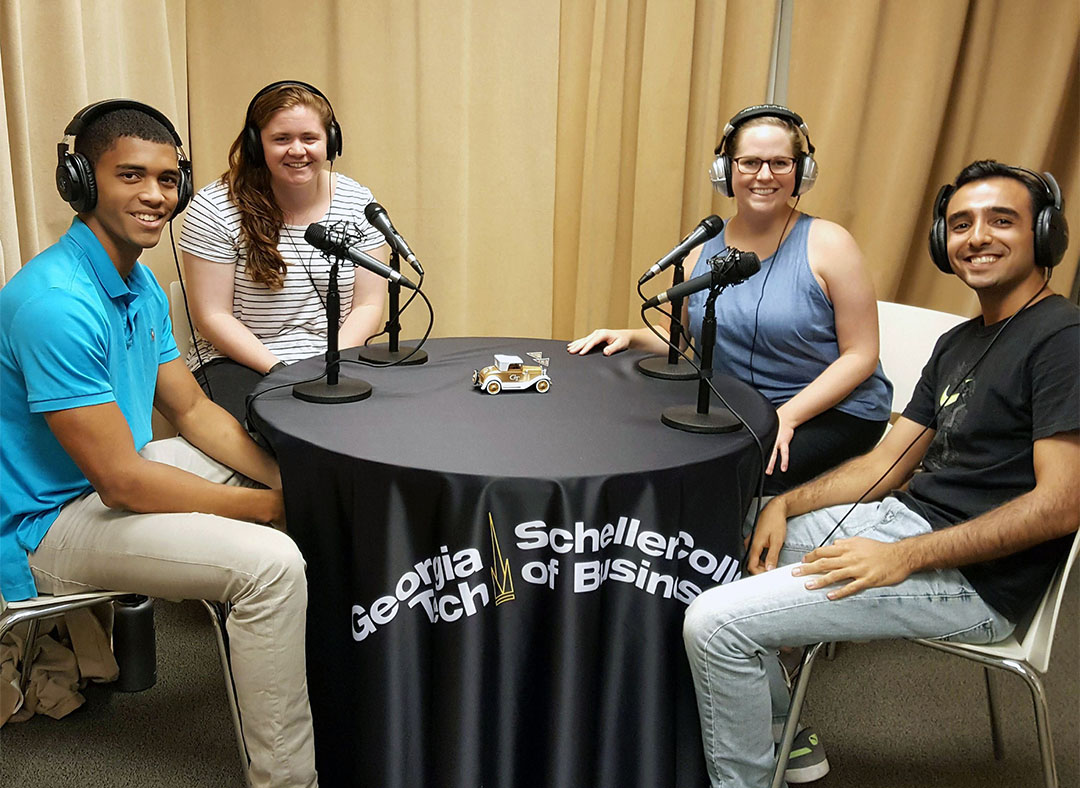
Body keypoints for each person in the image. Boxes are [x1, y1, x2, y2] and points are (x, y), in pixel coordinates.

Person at [682, 160, 1079, 788]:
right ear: (942, 243)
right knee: (710, 541)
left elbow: (1061, 504)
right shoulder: (962, 340)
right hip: (909, 527)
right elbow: (888, 463)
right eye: (961, 223)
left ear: (1046, 235)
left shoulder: (1063, 339)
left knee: (716, 625)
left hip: (975, 583)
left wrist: (905, 556)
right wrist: (783, 505)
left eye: (1002, 221)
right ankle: (783, 737)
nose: (977, 236)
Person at [0, 101, 318, 788]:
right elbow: (122, 484)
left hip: (113, 477)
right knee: (271, 566)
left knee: (286, 472)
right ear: (81, 182)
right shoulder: (54, 302)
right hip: (51, 522)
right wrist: (270, 511)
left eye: (169, 180)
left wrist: (293, 487)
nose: (155, 196)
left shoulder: (137, 280)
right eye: (131, 176)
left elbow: (195, 411)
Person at [568, 105, 892, 495]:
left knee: (727, 478)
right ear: (726, 171)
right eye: (750, 162)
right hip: (744, 409)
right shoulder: (702, 248)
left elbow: (861, 355)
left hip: (833, 413)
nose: (765, 176)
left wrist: (787, 416)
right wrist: (629, 336)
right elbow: (687, 339)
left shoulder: (830, 244)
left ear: (801, 172)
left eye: (780, 163)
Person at [180, 80, 389, 422]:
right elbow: (211, 316)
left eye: (309, 138)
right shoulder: (215, 207)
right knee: (285, 431)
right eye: (281, 139)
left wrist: (328, 364)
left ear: (330, 142)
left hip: (334, 359)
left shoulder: (357, 202)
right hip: (241, 362)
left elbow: (369, 304)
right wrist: (282, 370)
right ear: (255, 145)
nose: (297, 150)